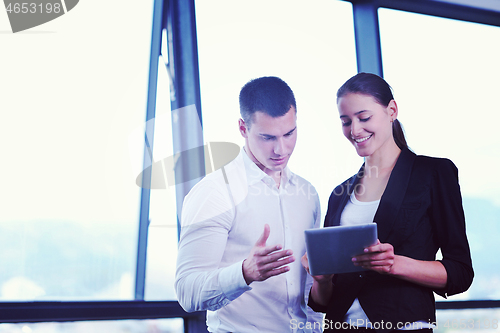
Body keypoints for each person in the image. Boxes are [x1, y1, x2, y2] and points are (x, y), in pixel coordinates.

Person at [302, 73, 474, 332]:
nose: (354, 130)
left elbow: (460, 273)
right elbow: (322, 300)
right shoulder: (339, 194)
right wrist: (321, 279)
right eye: (346, 121)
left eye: (364, 117)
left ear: (392, 110)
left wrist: (395, 264)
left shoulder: (433, 173)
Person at [175, 76, 323, 332]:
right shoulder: (214, 192)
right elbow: (188, 292)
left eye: (289, 133)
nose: (281, 149)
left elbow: (309, 289)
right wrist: (244, 272)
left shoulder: (307, 194)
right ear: (243, 128)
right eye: (267, 137)